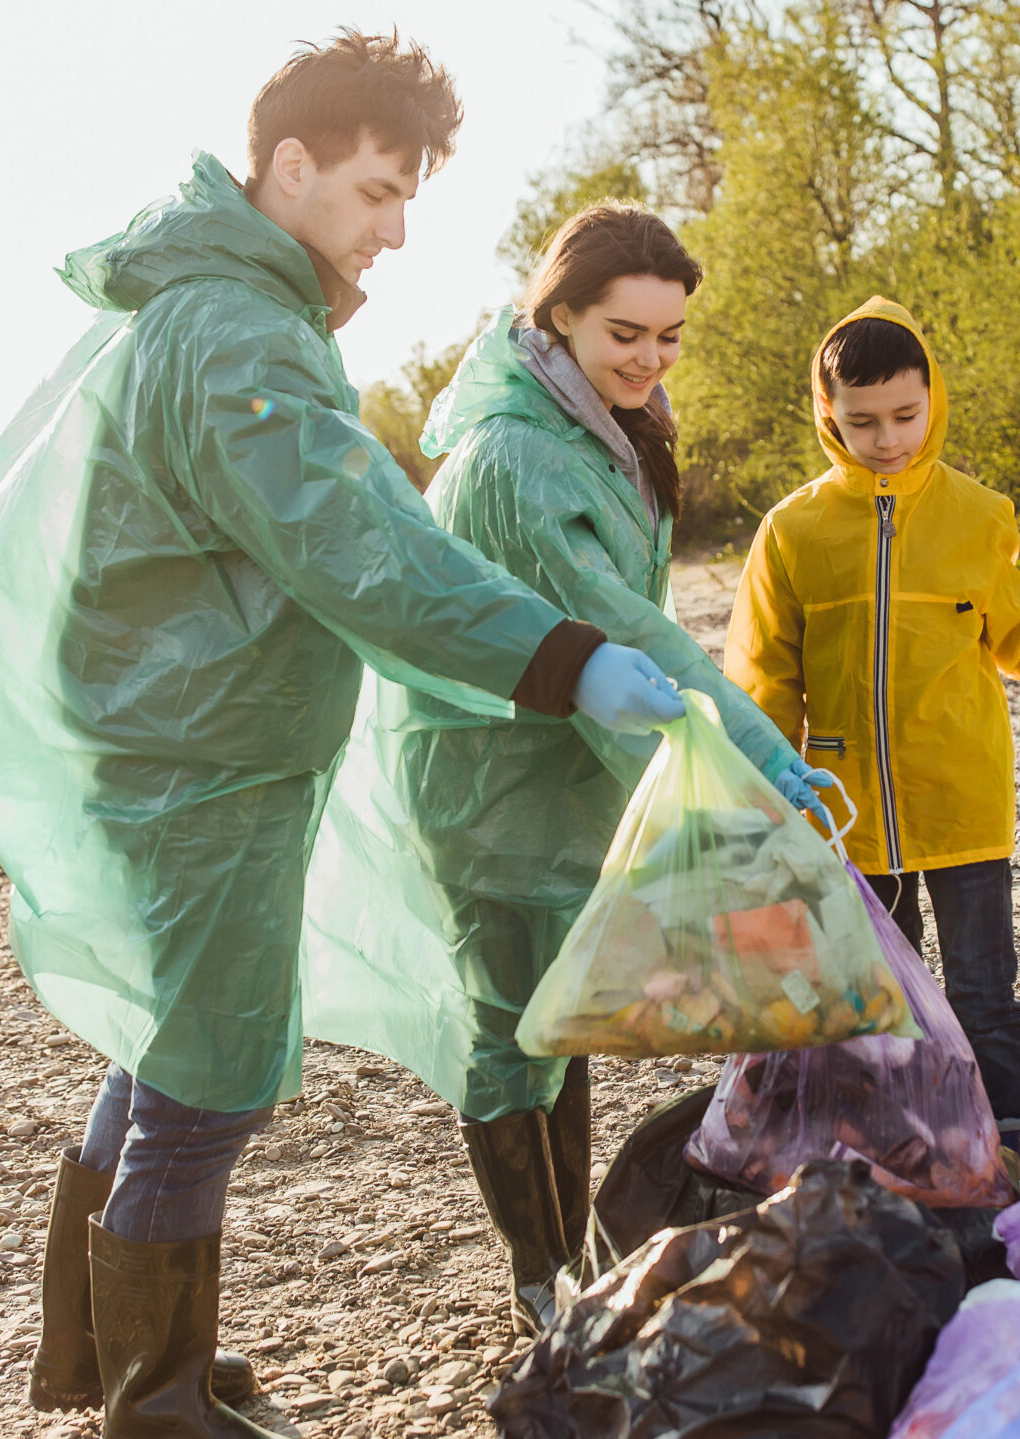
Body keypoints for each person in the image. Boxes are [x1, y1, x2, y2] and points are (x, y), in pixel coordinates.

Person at [0, 33, 688, 1439]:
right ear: (287, 166)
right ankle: (158, 1399)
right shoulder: (235, 331)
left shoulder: (204, 305)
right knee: (205, 1072)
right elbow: (363, 547)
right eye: (373, 189)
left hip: (176, 742)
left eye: (408, 195)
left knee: (156, 1033)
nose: (396, 228)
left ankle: (108, 1355)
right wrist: (564, 661)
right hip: (201, 760)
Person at [301, 202, 832, 1334]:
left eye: (668, 334)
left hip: (566, 757)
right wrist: (758, 751)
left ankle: (570, 1260)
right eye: (623, 333)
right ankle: (538, 1274)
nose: (648, 357)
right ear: (558, 318)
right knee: (510, 1026)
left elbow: (631, 621)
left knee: (564, 1013)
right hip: (485, 771)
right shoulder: (519, 457)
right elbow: (624, 625)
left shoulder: (603, 420)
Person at [726, 296, 1020, 1181]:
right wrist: (762, 786)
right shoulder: (791, 532)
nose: (888, 438)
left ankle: (1011, 1169)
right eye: (862, 421)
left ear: (932, 399)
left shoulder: (977, 514)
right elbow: (763, 678)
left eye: (906, 415)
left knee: (985, 1000)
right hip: (845, 820)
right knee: (873, 1011)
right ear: (827, 413)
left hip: (965, 812)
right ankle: (900, 1172)